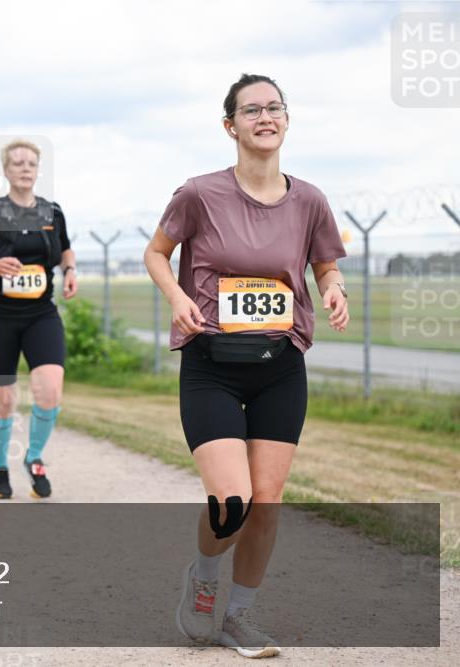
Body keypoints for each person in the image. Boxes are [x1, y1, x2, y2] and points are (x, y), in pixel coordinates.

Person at [143, 74, 349, 659]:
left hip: (279, 365)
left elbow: (325, 263)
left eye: (274, 107)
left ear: (286, 119)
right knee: (232, 500)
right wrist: (176, 297)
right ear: (230, 125)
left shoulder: (309, 200)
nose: (265, 117)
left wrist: (333, 288)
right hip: (211, 362)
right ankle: (204, 576)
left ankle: (239, 616)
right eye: (251, 110)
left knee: (267, 500)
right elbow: (157, 253)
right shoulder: (199, 194)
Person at [0, 140, 77, 500]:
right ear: (6, 171)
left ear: (37, 170)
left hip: (41, 313)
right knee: (4, 400)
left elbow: (65, 248)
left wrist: (70, 270)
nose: (25, 168)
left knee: (50, 389)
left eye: (31, 163)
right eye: (18, 163)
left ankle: (34, 457)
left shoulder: (52, 211)